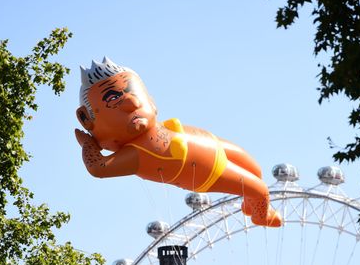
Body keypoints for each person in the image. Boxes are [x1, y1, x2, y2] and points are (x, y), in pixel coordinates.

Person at [75, 57, 282, 227]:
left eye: (132, 92)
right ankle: (260, 215)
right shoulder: (135, 154)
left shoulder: (153, 125)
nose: (132, 102)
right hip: (208, 171)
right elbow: (99, 168)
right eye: (113, 99)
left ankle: (250, 204)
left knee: (255, 169)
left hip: (212, 143)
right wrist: (88, 144)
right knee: (261, 190)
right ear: (87, 119)